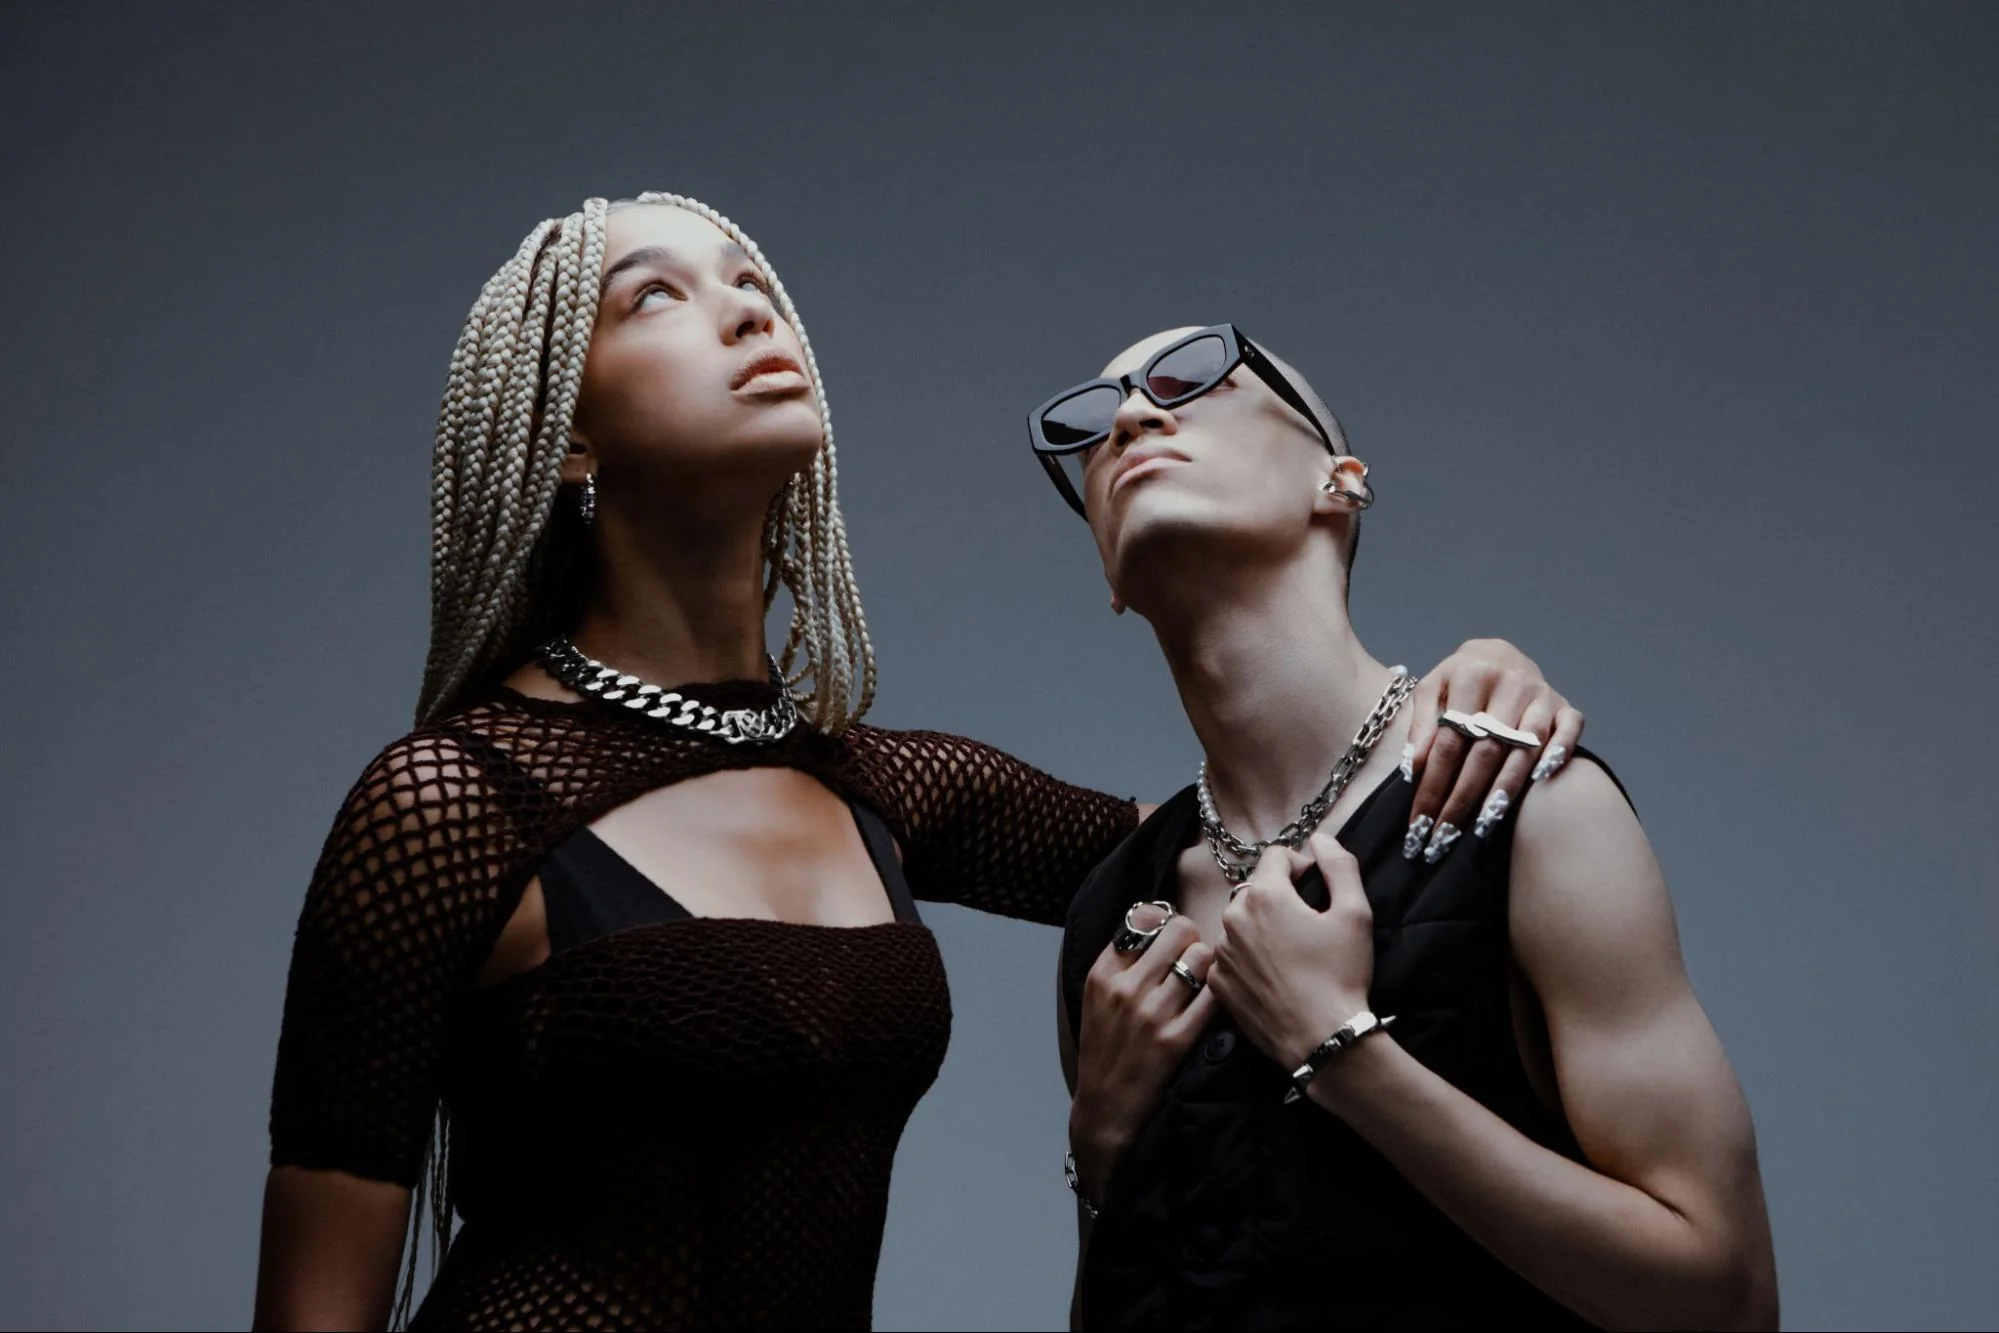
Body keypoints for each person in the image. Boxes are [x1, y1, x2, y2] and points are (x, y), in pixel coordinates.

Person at [252, 199, 1576, 1331]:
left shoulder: (882, 789)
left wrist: (1456, 682)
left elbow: (1259, 839)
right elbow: (316, 1298)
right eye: (655, 295)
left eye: (755, 283)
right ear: (566, 436)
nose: (746, 312)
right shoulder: (448, 801)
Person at [1047, 325, 1777, 1330]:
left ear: (1339, 484)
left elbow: (1727, 1300)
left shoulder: (1529, 805)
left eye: (1191, 378)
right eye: (1092, 424)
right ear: (1109, 577)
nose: (1129, 417)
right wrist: (1097, 1157)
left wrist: (1342, 1052)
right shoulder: (1114, 920)